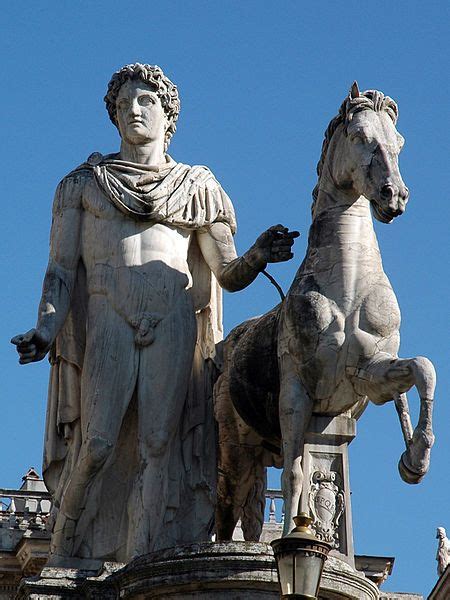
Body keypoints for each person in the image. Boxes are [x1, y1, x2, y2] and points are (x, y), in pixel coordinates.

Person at [11, 63, 298, 564]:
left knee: (159, 444)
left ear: (169, 115)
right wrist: (46, 328)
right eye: (122, 105)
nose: (132, 111)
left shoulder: (197, 186)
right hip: (108, 316)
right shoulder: (82, 186)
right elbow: (59, 270)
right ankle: (64, 543)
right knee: (97, 442)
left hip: (172, 319)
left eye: (144, 102)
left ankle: (142, 560)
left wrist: (257, 254)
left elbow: (226, 273)